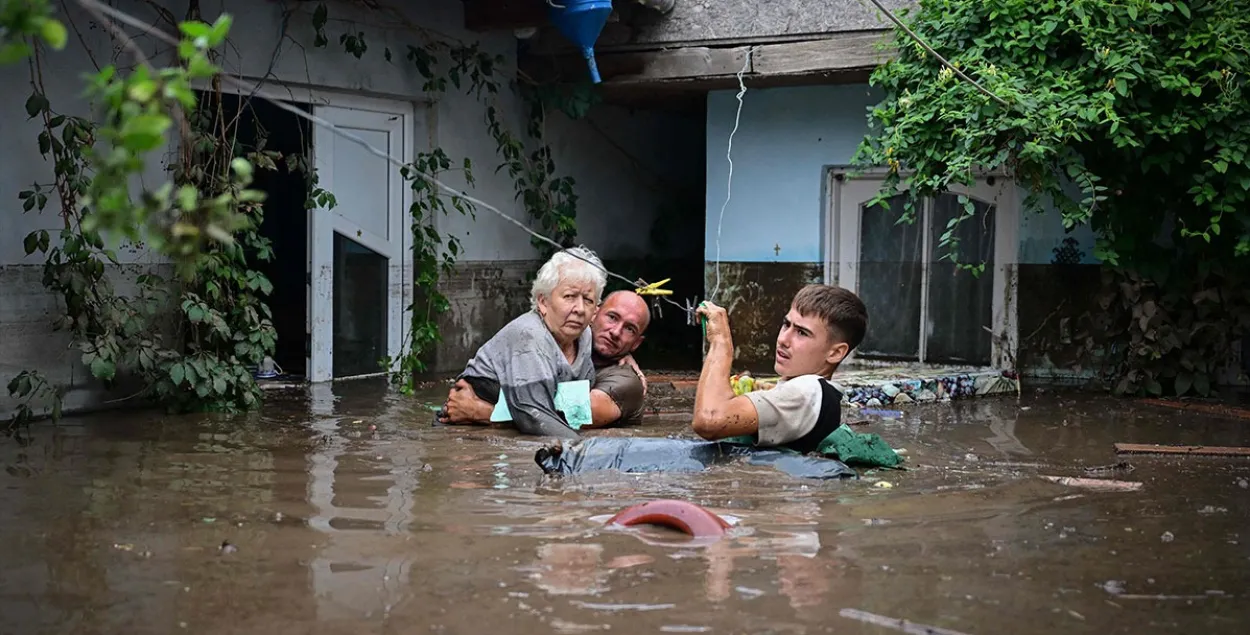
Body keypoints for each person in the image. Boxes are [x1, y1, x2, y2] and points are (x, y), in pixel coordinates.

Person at [440, 246, 606, 439]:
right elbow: (534, 416)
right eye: (569, 296)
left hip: (503, 420)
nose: (579, 309)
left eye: (588, 300)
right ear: (543, 302)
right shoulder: (529, 334)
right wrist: (587, 452)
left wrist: (487, 413)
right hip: (469, 432)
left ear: (595, 311)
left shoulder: (585, 335)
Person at [690, 284, 868, 452]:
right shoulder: (821, 395)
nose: (783, 339)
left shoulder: (807, 390)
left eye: (801, 332)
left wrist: (721, 341)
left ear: (836, 352)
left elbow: (709, 419)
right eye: (786, 324)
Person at [440, 289, 652, 430]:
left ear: (636, 343)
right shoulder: (560, 342)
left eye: (629, 329)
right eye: (612, 317)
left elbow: (572, 417)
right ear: (593, 314)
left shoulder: (627, 382)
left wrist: (481, 412)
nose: (615, 332)